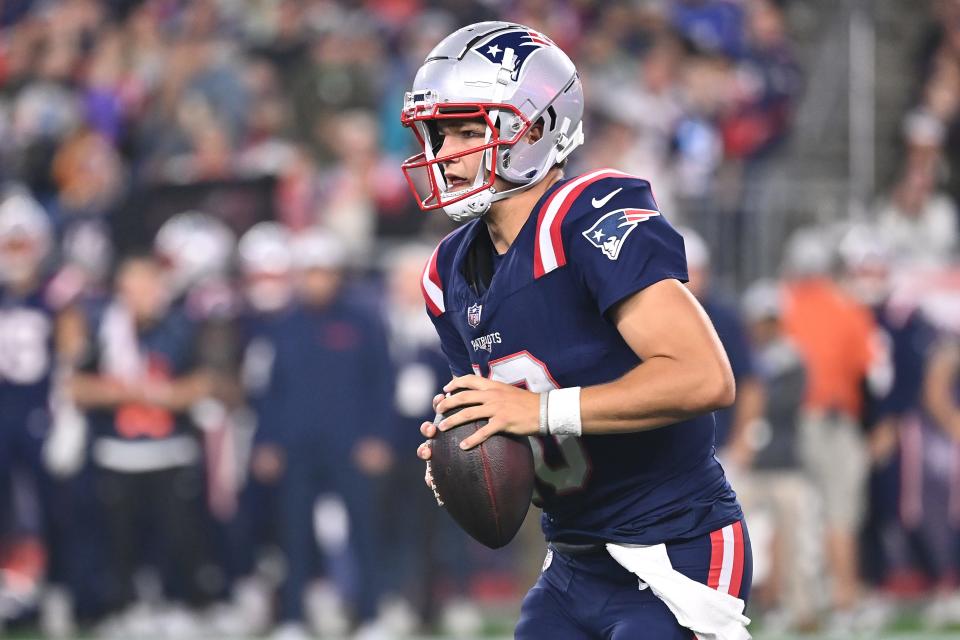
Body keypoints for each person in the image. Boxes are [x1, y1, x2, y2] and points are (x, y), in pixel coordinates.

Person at [405, 22, 752, 639]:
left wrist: (539, 413)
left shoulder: (587, 216)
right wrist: (469, 454)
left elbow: (704, 377)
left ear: (535, 128)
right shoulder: (445, 274)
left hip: (676, 547)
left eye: (466, 131)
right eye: (438, 134)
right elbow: (509, 430)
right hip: (573, 561)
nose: (444, 155)